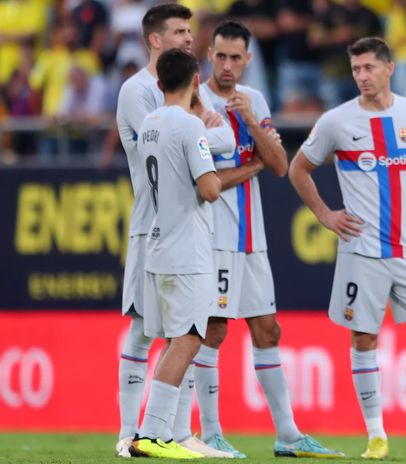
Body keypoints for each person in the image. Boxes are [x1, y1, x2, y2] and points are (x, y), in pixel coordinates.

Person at [288, 36, 406, 461]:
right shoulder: (337, 121)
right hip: (361, 252)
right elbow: (298, 168)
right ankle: (376, 436)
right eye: (356, 69)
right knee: (363, 338)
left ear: (389, 68)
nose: (362, 76)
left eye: (369, 68)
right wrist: (325, 214)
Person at [195, 20, 344, 459]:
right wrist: (253, 163)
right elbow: (208, 180)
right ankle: (209, 433)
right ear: (209, 55)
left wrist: (249, 122)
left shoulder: (254, 100)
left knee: (267, 328)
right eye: (220, 56)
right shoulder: (195, 102)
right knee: (213, 331)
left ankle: (289, 434)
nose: (226, 65)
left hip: (250, 237)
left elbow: (280, 163)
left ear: (248, 59)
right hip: (214, 236)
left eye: (235, 57)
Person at [114, 3, 235, 458]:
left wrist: (204, 122)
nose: (188, 36)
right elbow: (211, 145)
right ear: (155, 39)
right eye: (179, 30)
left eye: (190, 29)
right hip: (156, 226)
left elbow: (216, 138)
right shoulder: (136, 92)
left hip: (170, 228)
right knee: (152, 331)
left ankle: (175, 432)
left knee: (175, 333)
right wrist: (203, 123)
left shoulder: (162, 106)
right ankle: (134, 432)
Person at [129, 47, 222, 459]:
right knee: (187, 341)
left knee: (173, 341)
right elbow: (209, 189)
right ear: (196, 82)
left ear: (159, 83)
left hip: (157, 243)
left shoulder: (149, 122)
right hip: (187, 251)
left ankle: (158, 434)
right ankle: (150, 435)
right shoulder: (190, 126)